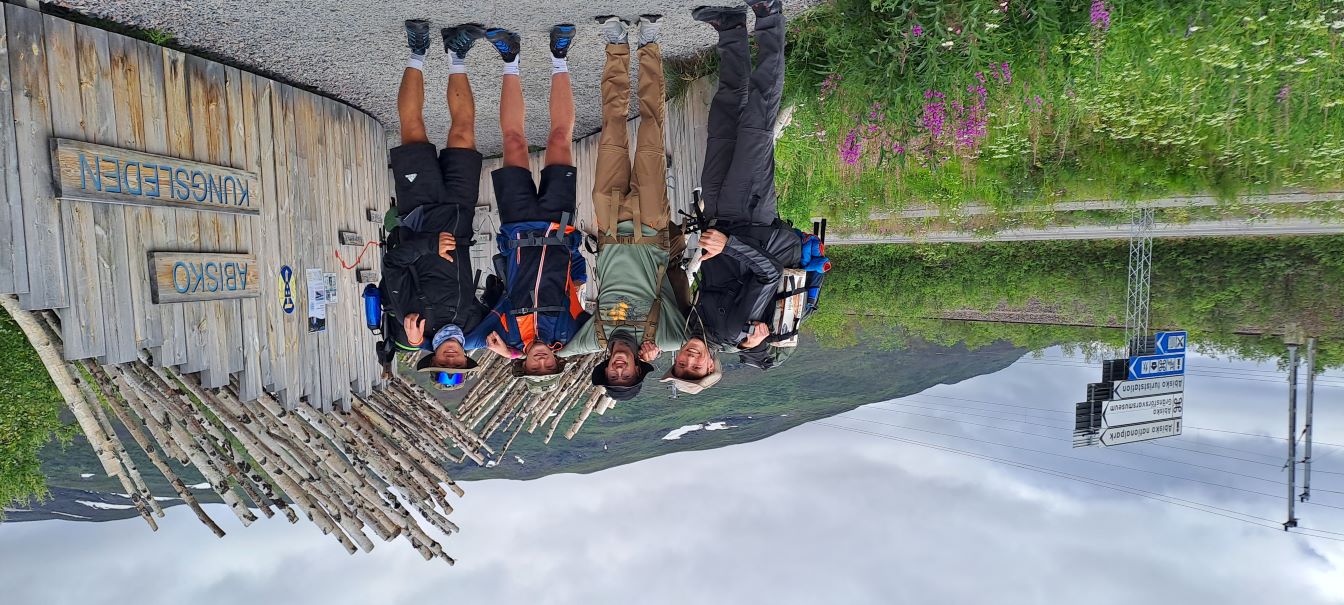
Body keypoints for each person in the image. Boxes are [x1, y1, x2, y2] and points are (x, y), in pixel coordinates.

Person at [663, 0, 814, 395]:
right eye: (696, 368)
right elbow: (767, 274)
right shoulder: (733, 331)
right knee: (757, 119)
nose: (689, 360)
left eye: (681, 366)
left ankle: (730, 30)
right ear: (712, 365)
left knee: (725, 117)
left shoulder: (694, 325)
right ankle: (769, 18)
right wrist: (728, 245)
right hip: (750, 216)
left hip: (717, 213)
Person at [556, 15, 692, 402]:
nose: (618, 369)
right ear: (637, 368)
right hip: (651, 226)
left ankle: (616, 46)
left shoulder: (595, 338)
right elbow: (698, 340)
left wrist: (511, 350)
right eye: (627, 374)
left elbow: (557, 353)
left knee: (612, 127)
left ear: (604, 367)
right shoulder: (661, 338)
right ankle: (649, 45)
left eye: (612, 374)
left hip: (610, 224)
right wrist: (659, 353)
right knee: (651, 129)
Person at [464, 24, 589, 394]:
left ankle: (510, 59)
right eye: (549, 366)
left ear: (524, 365)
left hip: (516, 228)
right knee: (559, 138)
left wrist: (507, 352)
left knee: (514, 142)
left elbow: (466, 339)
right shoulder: (570, 334)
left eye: (534, 368)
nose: (541, 361)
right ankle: (559, 57)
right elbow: (606, 337)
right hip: (557, 227)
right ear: (557, 361)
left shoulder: (507, 336)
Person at [381, 19, 494, 384]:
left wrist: (429, 245)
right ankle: (456, 53)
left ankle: (417, 50)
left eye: (444, 363)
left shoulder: (414, 323)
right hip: (460, 214)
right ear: (465, 359)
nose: (452, 358)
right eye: (458, 364)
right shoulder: (472, 324)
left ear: (432, 358)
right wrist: (504, 346)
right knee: (464, 131)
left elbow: (393, 263)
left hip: (421, 212)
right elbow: (504, 314)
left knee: (413, 128)